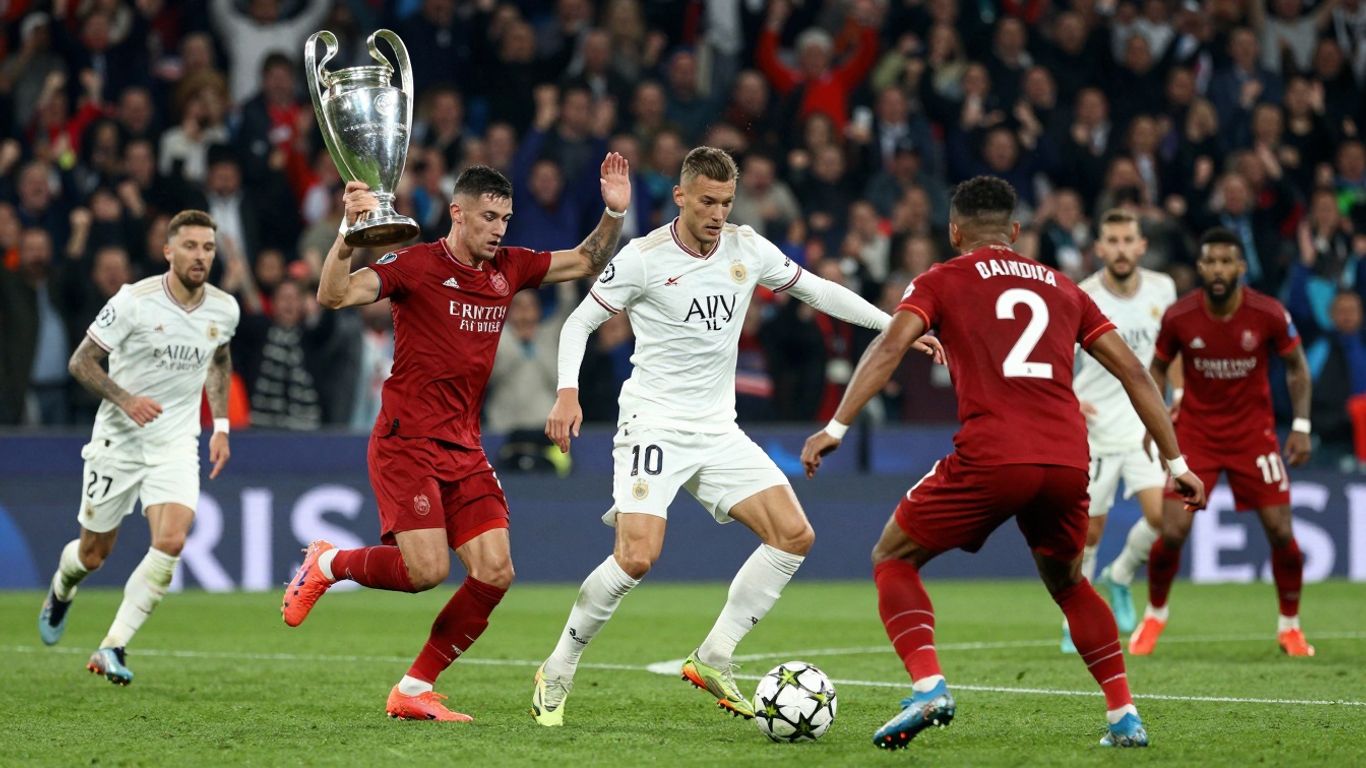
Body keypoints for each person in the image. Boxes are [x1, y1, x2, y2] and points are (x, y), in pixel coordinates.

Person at [528, 146, 943, 727]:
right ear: (680, 197)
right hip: (654, 424)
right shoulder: (644, 257)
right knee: (637, 557)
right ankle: (558, 668)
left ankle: (714, 656)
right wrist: (567, 392)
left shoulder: (747, 247)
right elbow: (579, 322)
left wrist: (897, 328)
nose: (718, 213)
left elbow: (819, 290)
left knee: (793, 535)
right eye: (707, 202)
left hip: (719, 429)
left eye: (726, 202)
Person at [800, 177, 1205, 750]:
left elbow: (890, 344)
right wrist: (1177, 461)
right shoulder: (1065, 287)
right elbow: (1136, 373)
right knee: (1070, 583)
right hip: (1067, 458)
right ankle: (1124, 716)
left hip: (994, 453)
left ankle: (928, 686)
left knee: (893, 557)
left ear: (954, 231)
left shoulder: (941, 279)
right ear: (1015, 230)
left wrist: (837, 425)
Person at [279, 154, 632, 723]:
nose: (499, 230)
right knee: (425, 572)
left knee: (496, 571)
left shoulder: (510, 268)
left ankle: (414, 688)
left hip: (464, 446)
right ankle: (329, 563)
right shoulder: (415, 265)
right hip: (407, 440)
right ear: (458, 213)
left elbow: (588, 258)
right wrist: (347, 234)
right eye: (489, 217)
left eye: (506, 219)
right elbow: (333, 295)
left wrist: (613, 211)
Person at [36, 210, 240, 685]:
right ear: (168, 251)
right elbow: (81, 361)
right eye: (190, 246)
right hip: (119, 442)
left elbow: (219, 359)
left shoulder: (224, 309)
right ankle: (63, 586)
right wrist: (126, 400)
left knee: (171, 541)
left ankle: (112, 645)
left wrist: (221, 426)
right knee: (93, 555)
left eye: (208, 248)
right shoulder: (134, 301)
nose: (200, 256)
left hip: (176, 442)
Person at [1130, 228, 1316, 657]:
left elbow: (1297, 366)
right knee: (1172, 531)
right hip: (1197, 434)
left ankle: (1290, 626)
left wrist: (1302, 425)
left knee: (1281, 530)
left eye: (1225, 262)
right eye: (1210, 262)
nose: (1217, 269)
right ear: (1200, 267)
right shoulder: (1180, 316)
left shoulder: (1268, 313)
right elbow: (1156, 369)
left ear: (1240, 267)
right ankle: (1154, 615)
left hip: (1254, 436)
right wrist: (1154, 422)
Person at [1064, 209, 1179, 652]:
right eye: (1112, 241)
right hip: (1095, 427)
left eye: (1128, 240)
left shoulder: (1163, 288)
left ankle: (1121, 573)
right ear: (1099, 248)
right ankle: (1076, 619)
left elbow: (1173, 350)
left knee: (1164, 520)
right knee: (1089, 533)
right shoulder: (1082, 294)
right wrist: (1069, 396)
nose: (1121, 249)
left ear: (1142, 245)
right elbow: (1057, 352)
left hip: (1144, 425)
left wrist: (1179, 396)